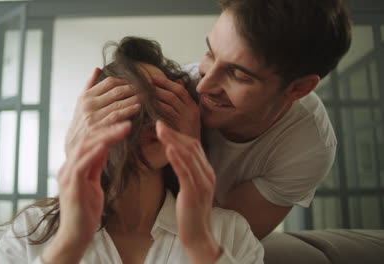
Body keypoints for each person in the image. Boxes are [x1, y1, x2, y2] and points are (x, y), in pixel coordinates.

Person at [65, 0, 352, 239]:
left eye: (239, 75)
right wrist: (76, 143)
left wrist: (192, 149)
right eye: (210, 53)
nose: (203, 86)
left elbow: (226, 239)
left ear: (298, 89)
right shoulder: (179, 88)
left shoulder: (306, 146)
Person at [0, 37, 264, 264]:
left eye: (162, 102)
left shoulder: (229, 231)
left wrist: (203, 248)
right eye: (126, 102)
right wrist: (68, 244)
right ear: (90, 123)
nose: (149, 119)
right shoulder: (31, 229)